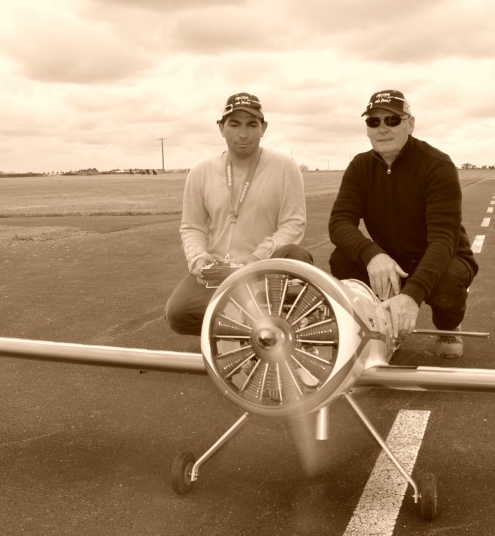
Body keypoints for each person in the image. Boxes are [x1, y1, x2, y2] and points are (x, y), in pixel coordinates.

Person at [328, 89, 478, 358]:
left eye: (392, 120)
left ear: (410, 124)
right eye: (374, 121)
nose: (382, 128)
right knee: (342, 259)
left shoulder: (437, 165)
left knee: (447, 285)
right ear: (367, 129)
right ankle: (378, 326)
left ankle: (448, 327)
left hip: (442, 257)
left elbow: (443, 239)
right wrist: (373, 254)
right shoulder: (360, 166)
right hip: (391, 258)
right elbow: (339, 222)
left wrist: (412, 295)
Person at [165, 92, 312, 335]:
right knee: (178, 314)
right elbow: (192, 226)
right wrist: (199, 259)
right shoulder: (200, 172)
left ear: (263, 128)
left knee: (297, 256)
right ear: (221, 128)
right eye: (234, 124)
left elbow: (293, 224)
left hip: (266, 266)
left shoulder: (285, 167)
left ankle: (269, 326)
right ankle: (249, 328)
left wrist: (256, 258)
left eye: (252, 125)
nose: (243, 134)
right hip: (219, 269)